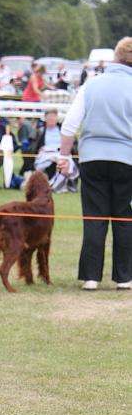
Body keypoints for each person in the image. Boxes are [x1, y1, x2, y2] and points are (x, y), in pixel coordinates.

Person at [58, 37, 132, 291]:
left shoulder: (92, 84)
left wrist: (63, 156)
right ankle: (124, 277)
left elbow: (69, 125)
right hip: (127, 160)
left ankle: (91, 277)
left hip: (92, 158)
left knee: (94, 216)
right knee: (125, 218)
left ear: (115, 57)